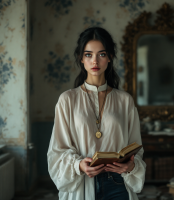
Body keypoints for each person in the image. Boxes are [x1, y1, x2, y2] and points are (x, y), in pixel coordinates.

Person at [47, 27, 146, 200]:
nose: (95, 61)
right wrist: (78, 165)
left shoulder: (125, 100)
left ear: (110, 57)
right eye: (88, 55)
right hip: (83, 183)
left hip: (118, 184)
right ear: (81, 58)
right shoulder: (67, 99)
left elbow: (136, 148)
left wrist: (130, 167)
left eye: (101, 54)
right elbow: (57, 151)